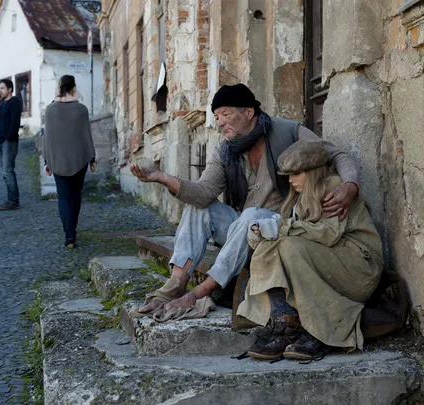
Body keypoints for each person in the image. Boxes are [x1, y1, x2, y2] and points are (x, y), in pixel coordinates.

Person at [130, 83, 360, 321]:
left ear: (249, 112)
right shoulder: (225, 151)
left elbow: (337, 154)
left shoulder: (289, 132)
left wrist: (350, 185)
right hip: (244, 230)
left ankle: (202, 292)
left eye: (226, 114)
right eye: (217, 116)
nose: (220, 122)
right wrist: (163, 178)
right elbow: (204, 193)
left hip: (282, 229)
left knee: (250, 217)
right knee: (200, 208)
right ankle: (176, 284)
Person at [239, 141, 383, 361]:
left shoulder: (333, 186)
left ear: (312, 171)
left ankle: (319, 331)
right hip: (332, 262)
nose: (290, 180)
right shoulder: (300, 195)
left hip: (359, 267)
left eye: (296, 173)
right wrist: (260, 232)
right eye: (287, 175)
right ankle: (285, 323)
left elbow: (327, 234)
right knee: (268, 247)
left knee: (287, 246)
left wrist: (281, 228)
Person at [43, 75, 96, 248]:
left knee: (64, 198)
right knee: (75, 196)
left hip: (58, 159)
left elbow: (48, 138)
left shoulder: (50, 109)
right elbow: (86, 134)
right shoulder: (81, 109)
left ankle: (69, 236)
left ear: (59, 88)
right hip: (79, 159)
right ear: (74, 88)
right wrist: (92, 159)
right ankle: (72, 230)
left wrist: (47, 161)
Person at [0, 78, 23, 210]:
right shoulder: (1, 105)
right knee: (4, 172)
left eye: (2, 88)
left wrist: (8, 137)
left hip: (9, 141)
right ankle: (11, 199)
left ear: (10, 89)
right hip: (1, 141)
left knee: (8, 170)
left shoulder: (14, 102)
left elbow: (15, 123)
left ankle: (13, 200)